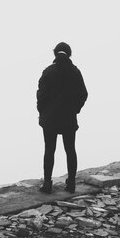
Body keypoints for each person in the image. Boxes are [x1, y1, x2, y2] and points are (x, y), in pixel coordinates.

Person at [36, 42, 88, 194]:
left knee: (49, 150)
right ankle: (71, 184)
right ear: (69, 54)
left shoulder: (48, 72)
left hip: (50, 119)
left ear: (55, 54)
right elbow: (83, 94)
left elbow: (41, 95)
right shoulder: (75, 72)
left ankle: (47, 184)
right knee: (70, 150)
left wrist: (43, 112)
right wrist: (75, 109)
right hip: (68, 118)